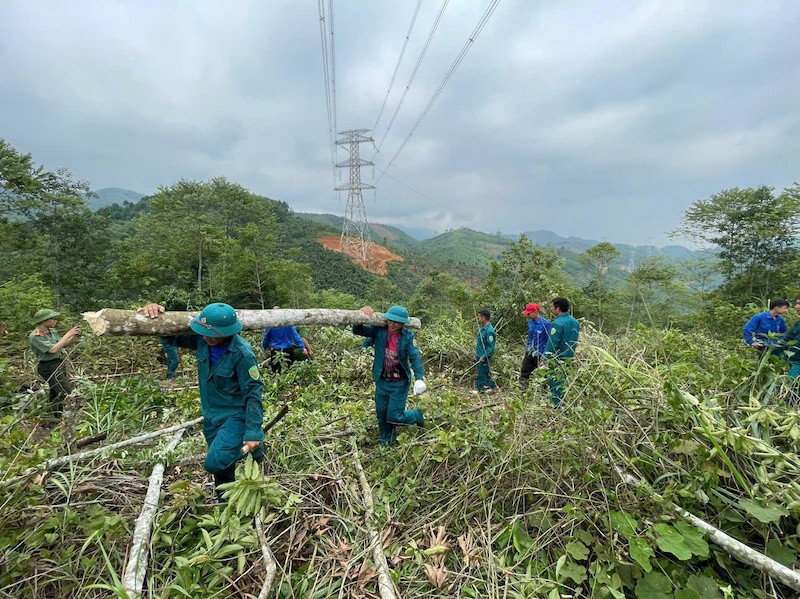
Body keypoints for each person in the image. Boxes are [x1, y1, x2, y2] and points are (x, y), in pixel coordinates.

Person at [140, 302, 263, 499]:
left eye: (212, 334)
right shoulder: (202, 341)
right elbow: (171, 336)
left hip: (235, 416)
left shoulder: (242, 354)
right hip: (211, 416)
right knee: (222, 472)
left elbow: (253, 392)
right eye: (204, 333)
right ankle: (225, 503)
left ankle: (255, 449)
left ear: (228, 332)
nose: (206, 337)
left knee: (214, 463)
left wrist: (253, 431)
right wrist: (155, 314)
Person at [353, 305, 426, 445]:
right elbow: (358, 330)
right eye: (391, 321)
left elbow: (414, 356)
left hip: (399, 382)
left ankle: (416, 414)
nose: (393, 324)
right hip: (382, 380)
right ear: (386, 320)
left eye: (397, 322)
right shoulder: (379, 330)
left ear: (403, 323)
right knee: (382, 413)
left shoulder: (407, 336)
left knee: (395, 416)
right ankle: (387, 440)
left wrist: (419, 378)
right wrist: (361, 315)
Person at [28, 309, 80, 418]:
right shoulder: (36, 336)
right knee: (66, 392)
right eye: (52, 319)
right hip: (48, 366)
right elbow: (53, 349)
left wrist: (73, 335)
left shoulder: (52, 332)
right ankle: (68, 417)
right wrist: (68, 334)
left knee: (56, 392)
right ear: (44, 321)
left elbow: (63, 344)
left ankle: (54, 417)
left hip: (58, 363)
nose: (55, 321)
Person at [543, 297, 580, 407]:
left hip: (557, 359)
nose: (551, 309)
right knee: (563, 383)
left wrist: (545, 359)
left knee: (555, 383)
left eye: (552, 306)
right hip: (569, 358)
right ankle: (562, 404)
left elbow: (552, 343)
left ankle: (558, 407)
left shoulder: (558, 323)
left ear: (557, 308)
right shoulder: (575, 322)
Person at [261, 307, 309, 373]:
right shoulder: (287, 323)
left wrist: (264, 347)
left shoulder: (270, 324)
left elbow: (266, 338)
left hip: (276, 351)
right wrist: (302, 348)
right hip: (288, 350)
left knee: (276, 372)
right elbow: (296, 335)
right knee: (289, 370)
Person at [520, 303, 550, 391]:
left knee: (543, 374)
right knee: (524, 370)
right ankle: (523, 389)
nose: (528, 315)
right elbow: (530, 337)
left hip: (540, 353)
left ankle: (543, 391)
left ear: (535, 312)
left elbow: (549, 340)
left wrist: (545, 356)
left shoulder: (546, 324)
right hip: (530, 352)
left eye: (529, 313)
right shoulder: (530, 323)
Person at [474, 309, 498, 393]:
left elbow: (491, 347)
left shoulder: (489, 331)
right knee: (485, 373)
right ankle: (493, 387)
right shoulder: (482, 327)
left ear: (484, 318)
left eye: (479, 317)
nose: (478, 319)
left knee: (481, 374)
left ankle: (480, 389)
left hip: (484, 356)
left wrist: (484, 356)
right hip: (479, 354)